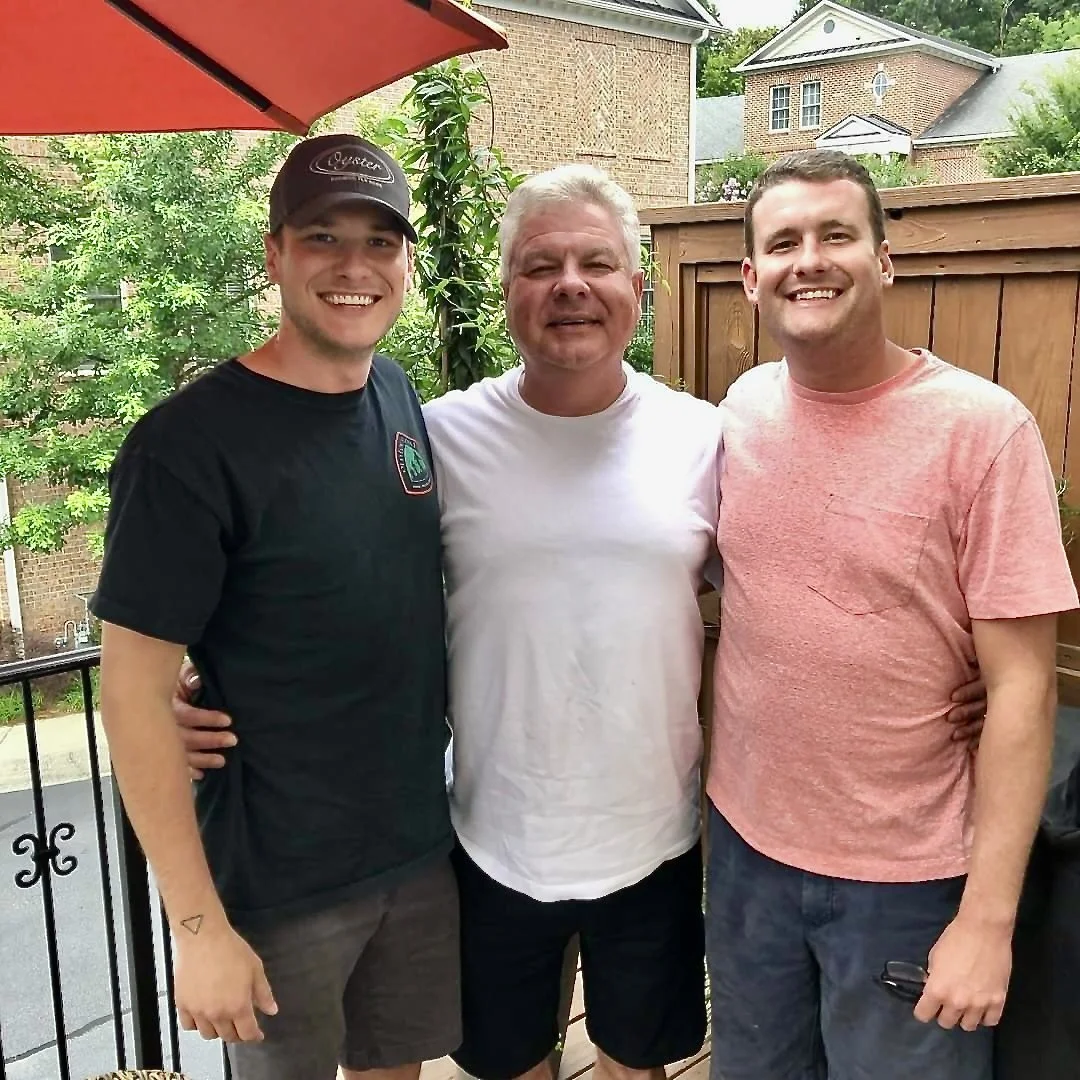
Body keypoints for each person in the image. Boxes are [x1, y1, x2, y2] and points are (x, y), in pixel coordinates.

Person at [172, 160, 990, 1080]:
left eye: (597, 264)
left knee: (634, 1063)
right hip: (489, 837)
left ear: (637, 289)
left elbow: (802, 582)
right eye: (540, 265)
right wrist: (209, 669)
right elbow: (337, 575)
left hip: (657, 840)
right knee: (510, 1063)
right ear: (508, 289)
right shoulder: (434, 437)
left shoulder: (706, 437)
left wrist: (963, 672)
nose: (570, 286)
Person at [91, 134, 460, 1080]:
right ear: (274, 255)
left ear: (405, 263)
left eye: (381, 241)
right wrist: (197, 926)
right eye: (322, 238)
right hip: (277, 887)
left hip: (415, 851)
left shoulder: (396, 393)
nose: (354, 266)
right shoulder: (186, 447)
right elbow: (130, 692)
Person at [704, 148, 1079, 1080]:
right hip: (746, 853)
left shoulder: (982, 431)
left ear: (886, 259)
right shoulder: (742, 409)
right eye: (783, 242)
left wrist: (987, 924)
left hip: (909, 880)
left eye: (837, 234)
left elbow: (1024, 687)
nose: (811, 259)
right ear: (751, 278)